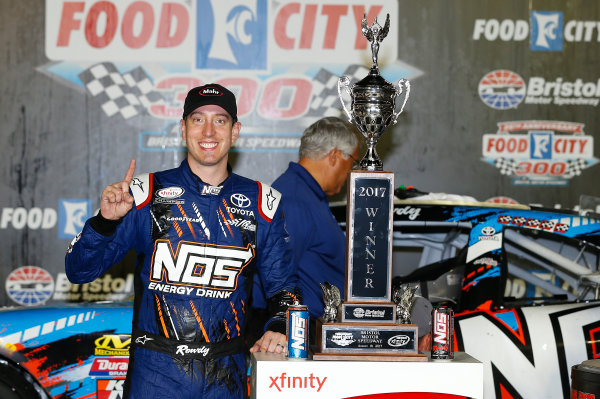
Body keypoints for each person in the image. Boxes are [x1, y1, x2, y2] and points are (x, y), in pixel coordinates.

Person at [65, 84, 299, 399]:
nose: (208, 130)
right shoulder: (145, 193)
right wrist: (105, 222)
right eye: (198, 119)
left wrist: (279, 328)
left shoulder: (262, 202)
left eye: (220, 120)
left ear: (235, 131)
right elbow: (79, 271)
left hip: (226, 377)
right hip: (156, 376)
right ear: (183, 129)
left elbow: (284, 290)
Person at [265, 117, 360, 325]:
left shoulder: (307, 195)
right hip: (306, 334)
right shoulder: (294, 199)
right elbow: (276, 275)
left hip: (321, 329)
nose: (350, 173)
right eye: (352, 162)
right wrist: (282, 327)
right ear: (335, 155)